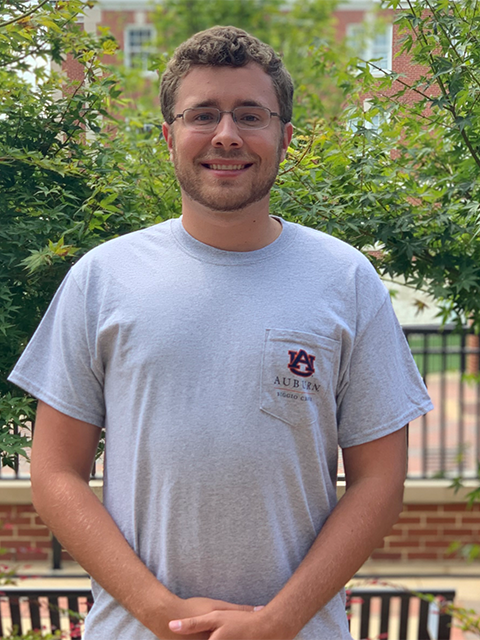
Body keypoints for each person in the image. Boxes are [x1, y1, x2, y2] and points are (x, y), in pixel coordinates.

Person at [8, 26, 432, 640]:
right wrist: (162, 613)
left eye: (250, 115)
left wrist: (277, 623)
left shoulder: (345, 279)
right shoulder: (102, 277)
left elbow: (380, 481)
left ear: (284, 137)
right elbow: (53, 476)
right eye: (203, 114)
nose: (227, 135)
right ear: (169, 136)